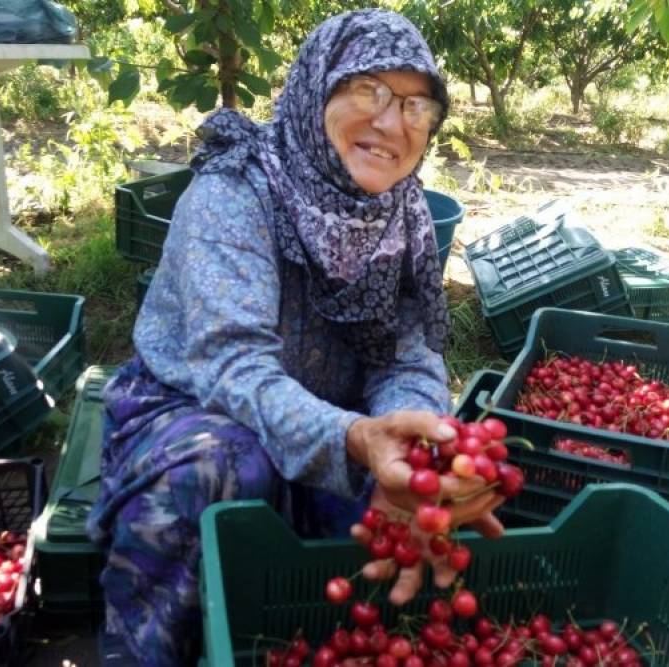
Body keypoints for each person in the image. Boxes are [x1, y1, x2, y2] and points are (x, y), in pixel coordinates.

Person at [87, 9, 505, 665]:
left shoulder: (404, 213)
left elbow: (407, 355)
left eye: (417, 106)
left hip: (335, 427)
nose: (392, 123)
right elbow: (234, 369)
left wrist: (414, 441)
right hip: (197, 410)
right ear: (319, 88)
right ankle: (147, 647)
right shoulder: (238, 188)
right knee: (221, 467)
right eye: (370, 92)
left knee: (408, 506)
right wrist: (355, 438)